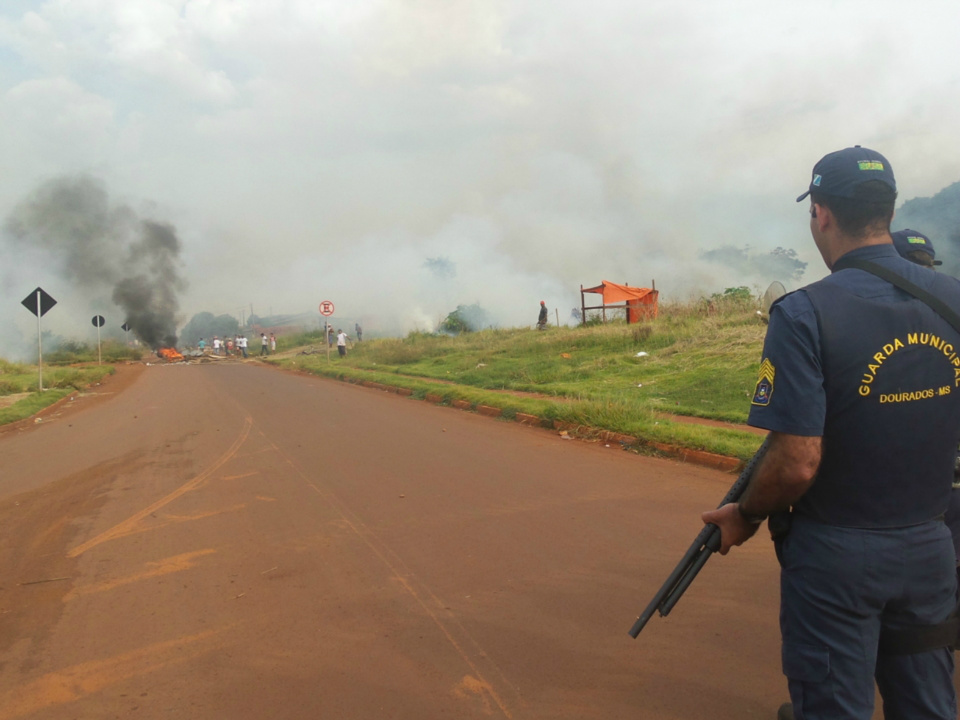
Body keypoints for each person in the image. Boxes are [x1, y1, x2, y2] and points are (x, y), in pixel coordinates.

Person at [702, 147, 960, 720]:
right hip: (931, 545)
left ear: (820, 213)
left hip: (837, 556)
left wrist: (744, 513)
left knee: (834, 707)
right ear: (887, 210)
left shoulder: (804, 314)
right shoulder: (952, 299)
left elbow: (795, 461)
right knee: (927, 703)